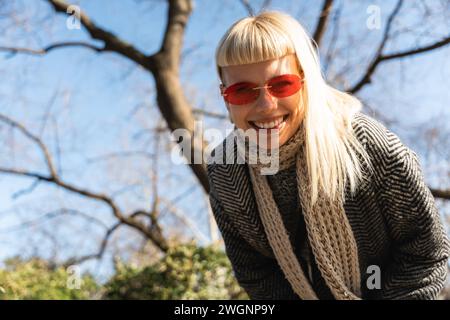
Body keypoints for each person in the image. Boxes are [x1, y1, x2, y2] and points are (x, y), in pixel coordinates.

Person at [206, 11, 449, 300]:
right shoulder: (225, 171)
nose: (266, 104)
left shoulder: (368, 145)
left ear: (305, 80)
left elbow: (426, 253)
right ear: (225, 96)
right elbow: (256, 273)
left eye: (282, 84)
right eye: (242, 91)